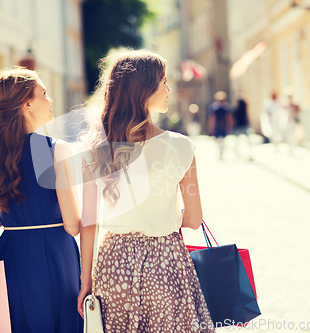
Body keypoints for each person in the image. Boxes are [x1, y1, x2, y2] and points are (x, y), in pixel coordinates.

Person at [76, 50, 214, 332]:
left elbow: (88, 222)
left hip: (113, 265)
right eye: (163, 82)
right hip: (165, 261)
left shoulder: (95, 149)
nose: (169, 89)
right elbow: (194, 219)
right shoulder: (180, 147)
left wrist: (85, 282)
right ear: (144, 89)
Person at [0, 67, 83, 333]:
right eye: (44, 93)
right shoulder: (54, 149)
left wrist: (8, 217)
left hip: (8, 259)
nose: (50, 101)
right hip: (55, 257)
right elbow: (73, 225)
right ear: (26, 103)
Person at [208, 91, 232, 160]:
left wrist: (211, 126)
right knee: (221, 140)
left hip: (218, 125)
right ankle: (221, 151)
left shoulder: (216, 107)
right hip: (222, 125)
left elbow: (212, 118)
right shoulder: (225, 107)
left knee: (220, 140)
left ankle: (220, 151)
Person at [232, 94, 252, 160]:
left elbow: (234, 119)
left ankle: (236, 153)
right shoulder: (244, 109)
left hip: (238, 126)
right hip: (244, 125)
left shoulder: (236, 109)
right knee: (247, 141)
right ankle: (249, 153)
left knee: (237, 141)